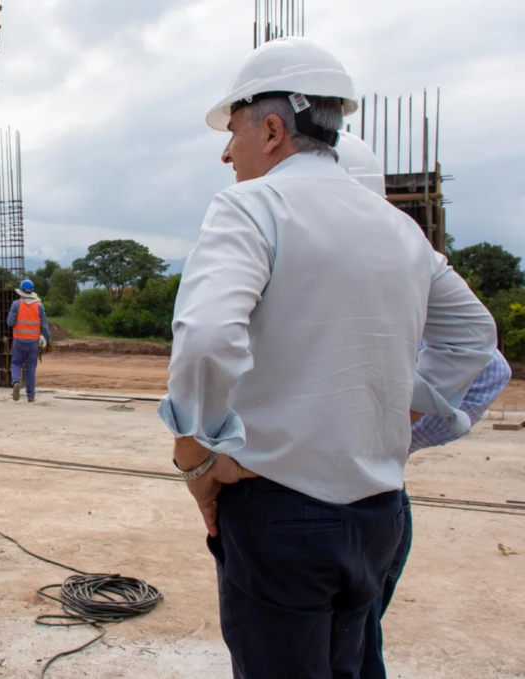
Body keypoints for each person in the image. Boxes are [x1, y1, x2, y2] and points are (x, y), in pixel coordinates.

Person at [159, 37, 497, 678]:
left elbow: (204, 337)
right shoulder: (398, 227)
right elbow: (474, 339)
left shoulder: (252, 206)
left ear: (273, 128)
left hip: (280, 511)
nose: (226, 151)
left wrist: (196, 452)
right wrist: (390, 400)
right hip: (377, 517)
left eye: (232, 130)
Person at [335, 130, 513, 679]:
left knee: (339, 651)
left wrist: (398, 422)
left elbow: (486, 365)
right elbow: (487, 366)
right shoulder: (404, 264)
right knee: (355, 650)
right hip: (379, 498)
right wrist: (399, 430)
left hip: (325, 504)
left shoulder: (396, 264)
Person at [7, 279, 51, 402]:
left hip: (19, 340)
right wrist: (49, 340)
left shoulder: (16, 304)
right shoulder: (39, 305)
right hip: (33, 342)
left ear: (20, 291)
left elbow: (10, 323)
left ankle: (16, 381)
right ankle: (31, 396)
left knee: (16, 364)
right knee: (31, 368)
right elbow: (44, 326)